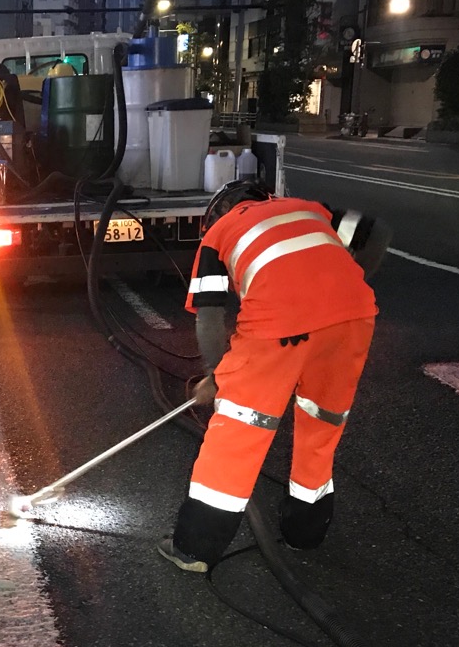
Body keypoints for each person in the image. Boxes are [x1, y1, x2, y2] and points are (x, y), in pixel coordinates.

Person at [158, 179, 391, 572]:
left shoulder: (218, 233)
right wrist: (349, 283)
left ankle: (194, 549)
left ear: (219, 211)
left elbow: (211, 313)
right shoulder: (309, 207)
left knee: (239, 430)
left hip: (277, 327)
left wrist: (215, 377)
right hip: (354, 316)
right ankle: (306, 533)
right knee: (322, 424)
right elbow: (379, 232)